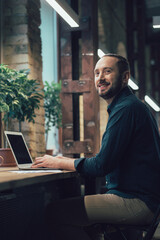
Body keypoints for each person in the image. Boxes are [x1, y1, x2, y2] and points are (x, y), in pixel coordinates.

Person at [32, 53, 160, 240]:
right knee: (84, 222)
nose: (100, 78)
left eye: (107, 72)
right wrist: (62, 161)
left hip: (138, 202)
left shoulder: (126, 109)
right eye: (97, 73)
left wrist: (58, 162)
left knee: (56, 213)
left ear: (125, 77)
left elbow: (101, 165)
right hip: (143, 200)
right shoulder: (129, 106)